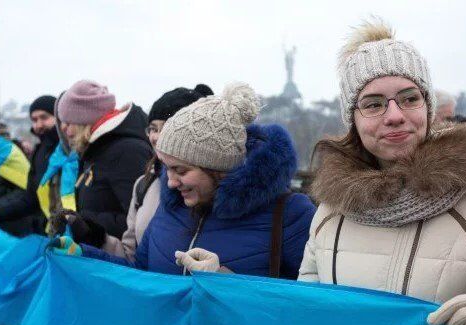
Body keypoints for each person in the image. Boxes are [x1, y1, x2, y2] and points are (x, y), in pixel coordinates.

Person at [297, 19, 466, 325]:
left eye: (409, 98)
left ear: (428, 109)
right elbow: (306, 312)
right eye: (373, 104)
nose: (394, 116)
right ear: (352, 120)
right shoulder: (328, 213)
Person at [54, 83, 316, 279]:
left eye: (181, 170)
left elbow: (304, 305)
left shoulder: (290, 214)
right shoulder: (172, 206)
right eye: (166, 168)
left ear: (218, 167)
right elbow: (141, 275)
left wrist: (227, 281)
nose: (170, 183)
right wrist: (85, 256)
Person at [97, 84, 213, 260]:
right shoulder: (143, 184)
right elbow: (132, 256)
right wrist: (97, 239)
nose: (155, 137)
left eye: (165, 127)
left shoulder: (210, 186)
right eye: (152, 128)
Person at [57, 80, 152, 241]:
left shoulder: (126, 152)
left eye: (68, 122)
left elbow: (140, 221)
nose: (63, 129)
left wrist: (84, 222)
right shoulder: (95, 150)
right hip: (103, 256)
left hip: (120, 261)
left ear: (85, 120)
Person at [0, 95, 68, 235]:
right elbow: (31, 196)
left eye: (44, 117)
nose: (39, 124)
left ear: (58, 117)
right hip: (52, 230)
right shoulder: (39, 153)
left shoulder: (70, 148)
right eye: (34, 120)